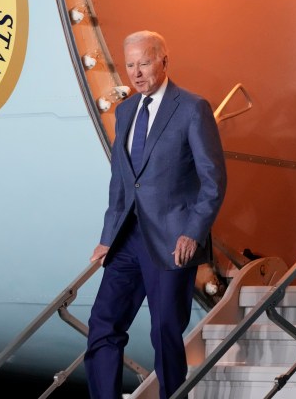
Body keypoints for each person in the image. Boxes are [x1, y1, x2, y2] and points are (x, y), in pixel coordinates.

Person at [85, 30, 228, 399]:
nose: (135, 73)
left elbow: (213, 181)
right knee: (103, 324)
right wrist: (106, 237)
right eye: (129, 64)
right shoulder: (125, 110)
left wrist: (193, 233)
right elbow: (121, 181)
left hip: (172, 241)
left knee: (164, 330)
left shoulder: (192, 108)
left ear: (164, 60)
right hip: (127, 241)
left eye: (144, 63)